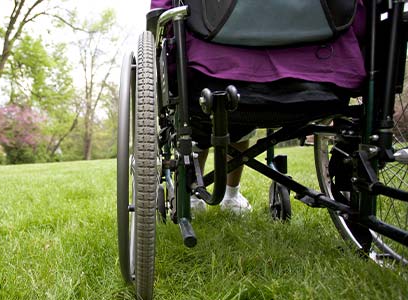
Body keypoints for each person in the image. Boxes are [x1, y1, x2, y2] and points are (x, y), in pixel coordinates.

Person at [150, 0, 367, 214]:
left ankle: (197, 191)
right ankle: (231, 194)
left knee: (206, 112)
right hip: (324, 69)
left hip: (211, 68)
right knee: (234, 114)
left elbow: (162, 14)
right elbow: (358, 17)